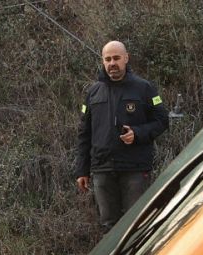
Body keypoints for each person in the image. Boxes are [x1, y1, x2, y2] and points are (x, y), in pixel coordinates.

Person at [73, 40, 170, 231]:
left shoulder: (144, 88)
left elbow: (162, 120)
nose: (112, 63)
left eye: (116, 58)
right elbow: (84, 133)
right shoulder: (93, 93)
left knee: (138, 225)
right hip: (102, 170)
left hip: (135, 168)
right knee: (109, 227)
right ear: (102, 61)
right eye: (107, 59)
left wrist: (138, 133)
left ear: (126, 58)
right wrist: (82, 170)